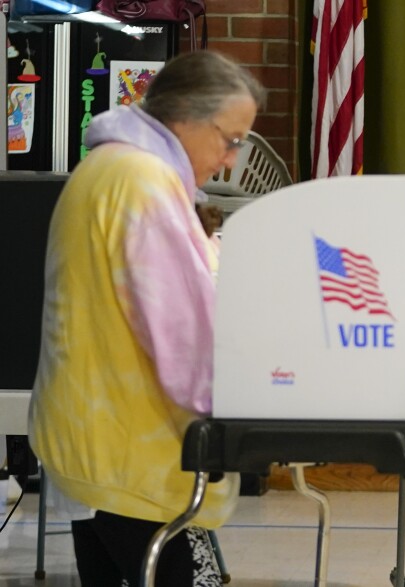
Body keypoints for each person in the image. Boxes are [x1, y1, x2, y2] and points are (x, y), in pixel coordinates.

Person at [28, 51, 265, 585]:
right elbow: (183, 331)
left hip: (95, 447)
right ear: (186, 118)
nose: (231, 160)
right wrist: (250, 410)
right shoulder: (143, 182)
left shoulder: (110, 166)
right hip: (130, 459)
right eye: (230, 140)